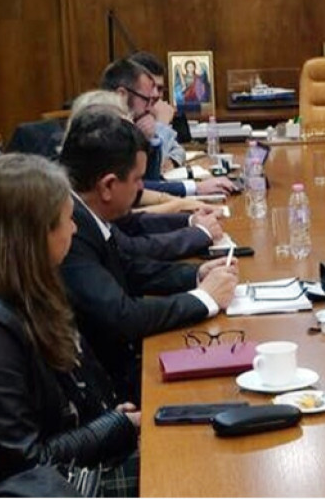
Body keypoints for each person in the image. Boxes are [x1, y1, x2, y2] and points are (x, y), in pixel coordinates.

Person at [0, 154, 139, 496]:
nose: (75, 229)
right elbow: (25, 463)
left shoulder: (28, 288)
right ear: (33, 236)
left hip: (65, 469)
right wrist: (113, 427)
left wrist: (113, 422)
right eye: (68, 220)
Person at [59, 109, 238, 401]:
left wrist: (196, 275)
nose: (143, 188)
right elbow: (121, 317)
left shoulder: (87, 212)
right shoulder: (70, 229)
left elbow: (129, 267)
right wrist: (203, 298)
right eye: (138, 179)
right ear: (108, 186)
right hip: (112, 387)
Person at [67, 90, 225, 261]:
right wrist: (198, 231)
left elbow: (132, 221)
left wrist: (191, 220)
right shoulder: (72, 216)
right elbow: (131, 250)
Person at [100, 58, 236, 196]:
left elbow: (151, 180)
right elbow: (137, 189)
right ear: (121, 95)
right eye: (147, 99)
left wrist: (153, 139)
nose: (151, 107)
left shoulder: (129, 123)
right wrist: (194, 188)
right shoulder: (104, 131)